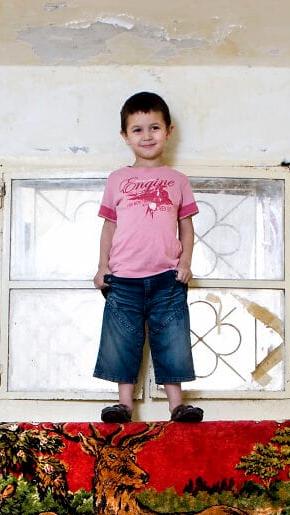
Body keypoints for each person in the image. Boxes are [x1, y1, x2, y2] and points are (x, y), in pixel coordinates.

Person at [92, 91, 204, 424]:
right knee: (121, 338)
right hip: (123, 278)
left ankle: (176, 406)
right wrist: (102, 267)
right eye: (138, 129)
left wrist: (184, 264)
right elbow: (109, 227)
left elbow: (187, 228)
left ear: (168, 131)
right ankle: (123, 404)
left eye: (154, 127)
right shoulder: (117, 180)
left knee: (171, 337)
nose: (147, 136)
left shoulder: (178, 181)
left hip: (167, 279)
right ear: (125, 136)